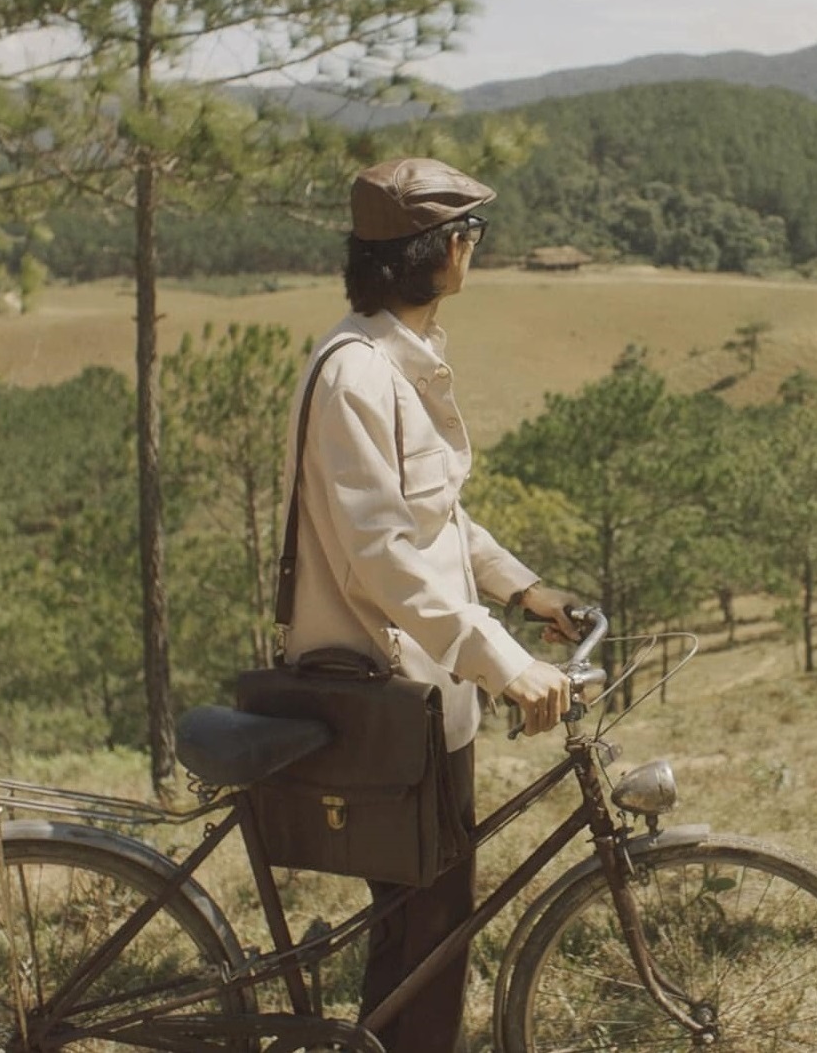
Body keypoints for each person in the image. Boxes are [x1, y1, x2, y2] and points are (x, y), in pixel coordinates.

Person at [282, 156, 580, 1053]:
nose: (474, 252)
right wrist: (505, 661)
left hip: (426, 695)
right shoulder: (356, 377)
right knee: (427, 926)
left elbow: (435, 521)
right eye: (471, 236)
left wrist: (520, 588)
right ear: (446, 251)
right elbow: (383, 561)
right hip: (390, 691)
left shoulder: (398, 361)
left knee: (426, 923)